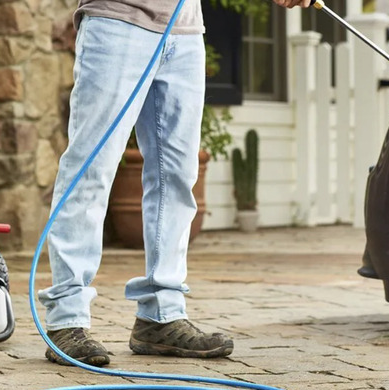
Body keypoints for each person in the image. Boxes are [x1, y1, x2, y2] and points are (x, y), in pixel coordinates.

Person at [39, 0, 312, 367]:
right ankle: (66, 318)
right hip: (118, 21)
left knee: (177, 176)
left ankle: (161, 313)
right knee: (91, 167)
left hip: (185, 32)